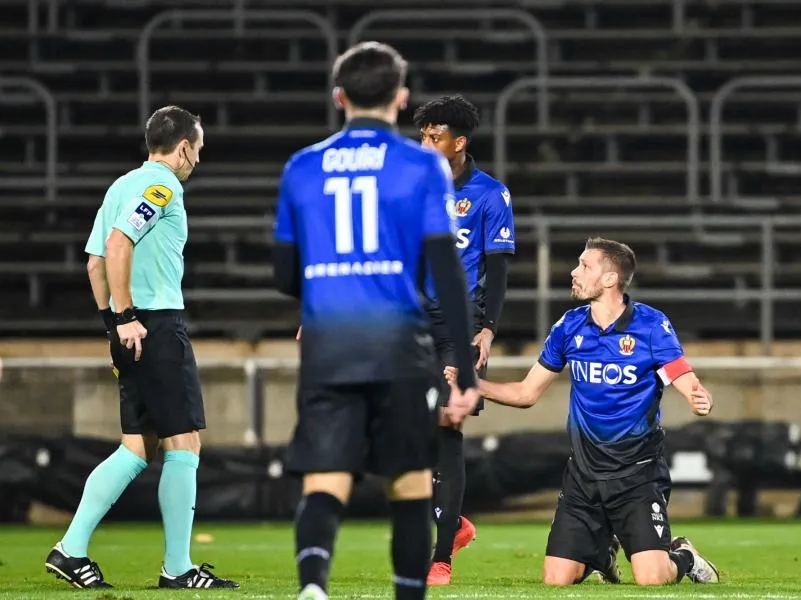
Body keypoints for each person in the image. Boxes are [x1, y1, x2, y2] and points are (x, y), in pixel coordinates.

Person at [272, 42, 481, 600]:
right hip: (398, 345)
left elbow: (285, 274)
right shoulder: (422, 167)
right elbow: (446, 272)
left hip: (329, 343)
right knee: (410, 483)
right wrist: (466, 370)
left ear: (339, 96)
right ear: (401, 97)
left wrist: (332, 285)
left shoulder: (302, 167)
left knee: (325, 479)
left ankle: (314, 586)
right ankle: (408, 593)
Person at [444, 237, 720, 587]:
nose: (574, 272)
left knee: (652, 578)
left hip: (636, 476)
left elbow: (683, 375)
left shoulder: (651, 325)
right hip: (583, 477)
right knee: (556, 580)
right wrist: (472, 384)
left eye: (584, 266)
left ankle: (684, 555)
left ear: (610, 280)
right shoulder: (569, 326)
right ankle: (601, 553)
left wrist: (699, 397)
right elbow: (527, 393)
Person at [45, 105, 239, 589]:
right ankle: (177, 568)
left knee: (138, 445)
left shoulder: (118, 186)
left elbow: (94, 264)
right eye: (198, 151)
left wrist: (112, 322)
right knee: (184, 442)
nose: (197, 160)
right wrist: (130, 316)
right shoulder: (163, 186)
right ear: (184, 148)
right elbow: (117, 245)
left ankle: (71, 548)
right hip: (153, 323)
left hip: (127, 325)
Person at [413, 95, 516, 585]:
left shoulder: (490, 195)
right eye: (423, 135)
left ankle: (440, 557)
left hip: (461, 321)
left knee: (448, 425)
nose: (426, 144)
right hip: (410, 321)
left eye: (435, 137)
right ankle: (452, 524)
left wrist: (487, 328)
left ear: (459, 143)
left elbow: (497, 270)